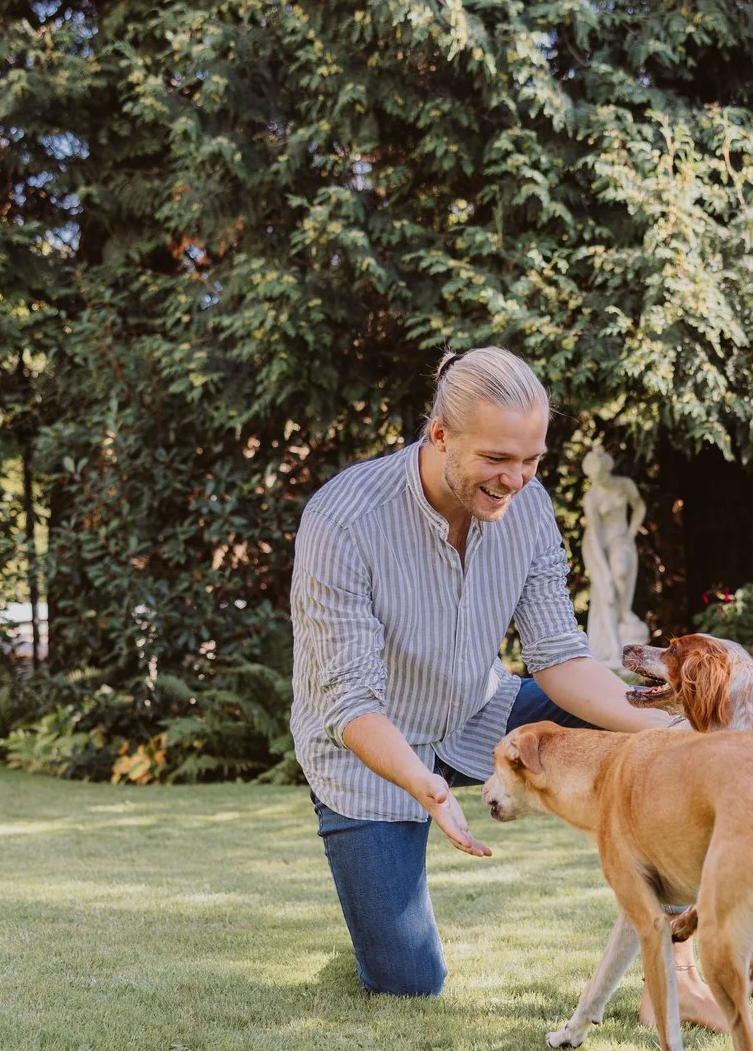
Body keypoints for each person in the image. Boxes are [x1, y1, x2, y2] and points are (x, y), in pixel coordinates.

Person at [290, 348, 679, 998]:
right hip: (369, 753)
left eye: (531, 460)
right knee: (408, 982)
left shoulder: (529, 506)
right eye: (497, 459)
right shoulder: (343, 520)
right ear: (440, 433)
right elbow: (350, 702)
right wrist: (425, 785)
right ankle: (372, 940)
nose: (515, 480)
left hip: (479, 711)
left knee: (662, 742)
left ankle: (673, 965)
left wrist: (672, 728)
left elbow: (560, 656)